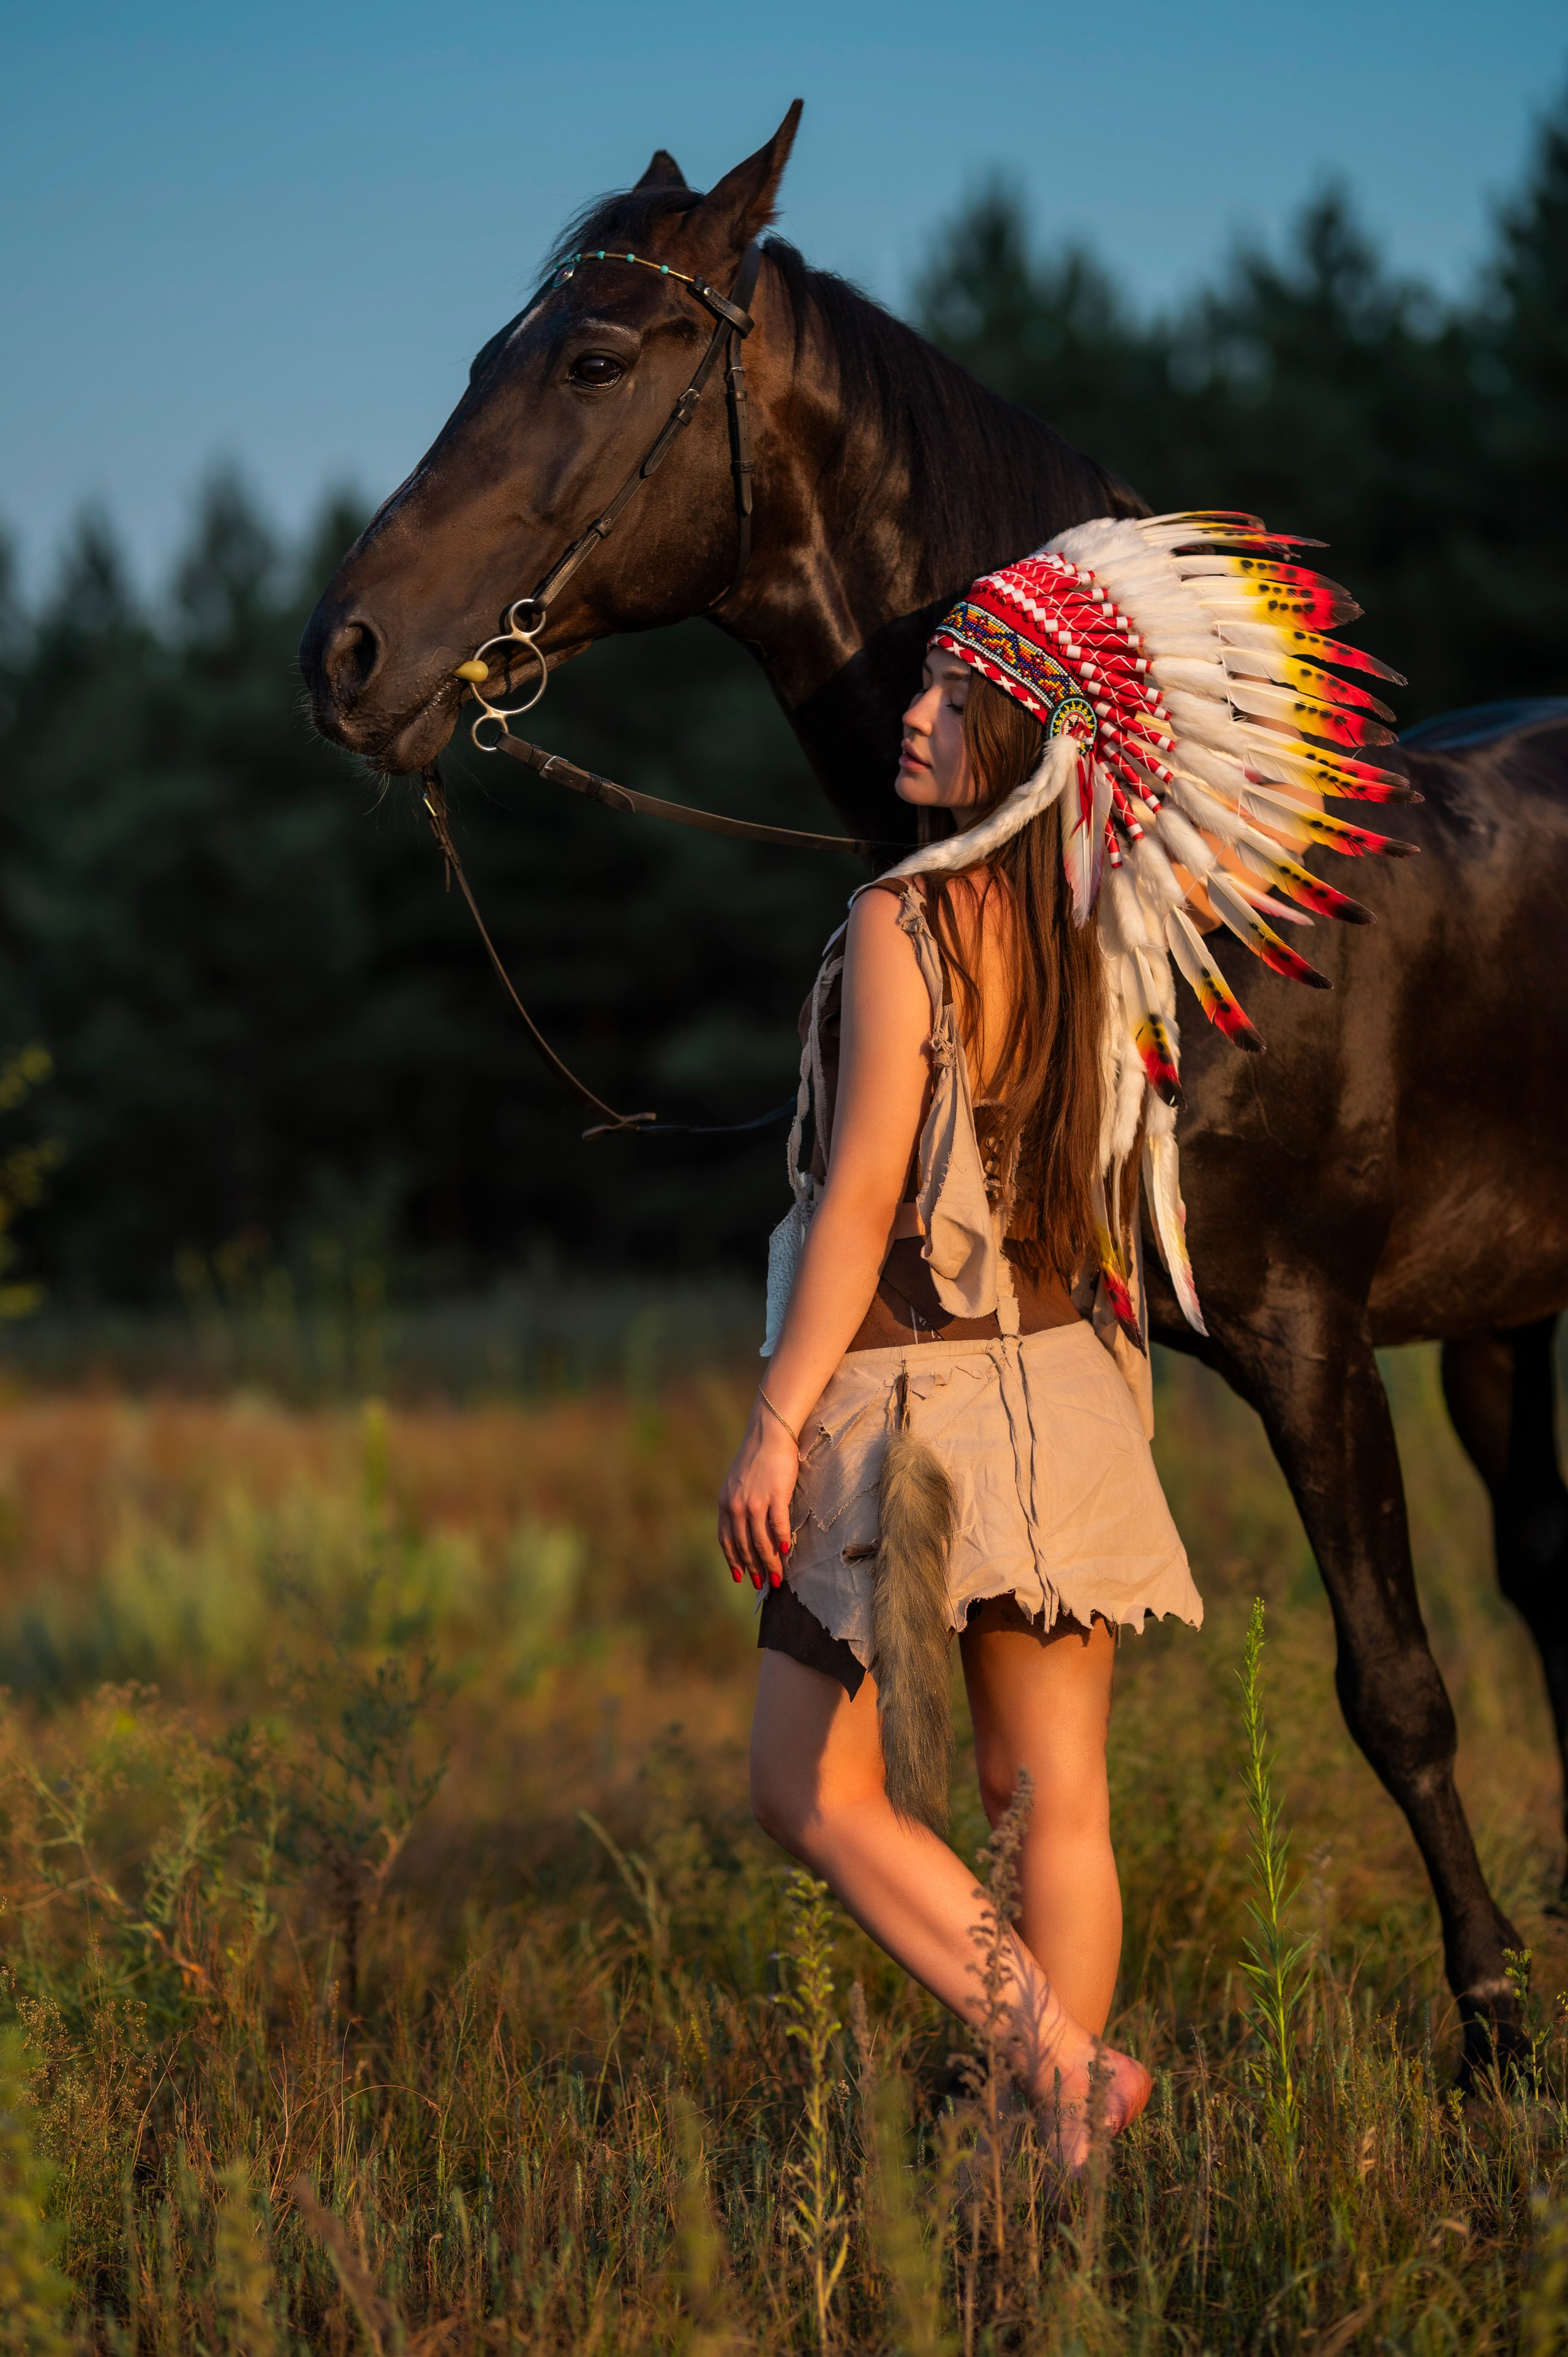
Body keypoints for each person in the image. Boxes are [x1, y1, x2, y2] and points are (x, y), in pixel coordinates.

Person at [718, 516, 1398, 2165]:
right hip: (1075, 1388)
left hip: (910, 1401)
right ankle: (1059, 2158)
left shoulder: (909, 918)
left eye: (956, 699)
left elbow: (871, 1178)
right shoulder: (1108, 928)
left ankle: (1060, 2073)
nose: (914, 714)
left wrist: (778, 1416)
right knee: (1053, 1803)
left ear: (1023, 735)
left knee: (806, 1791)